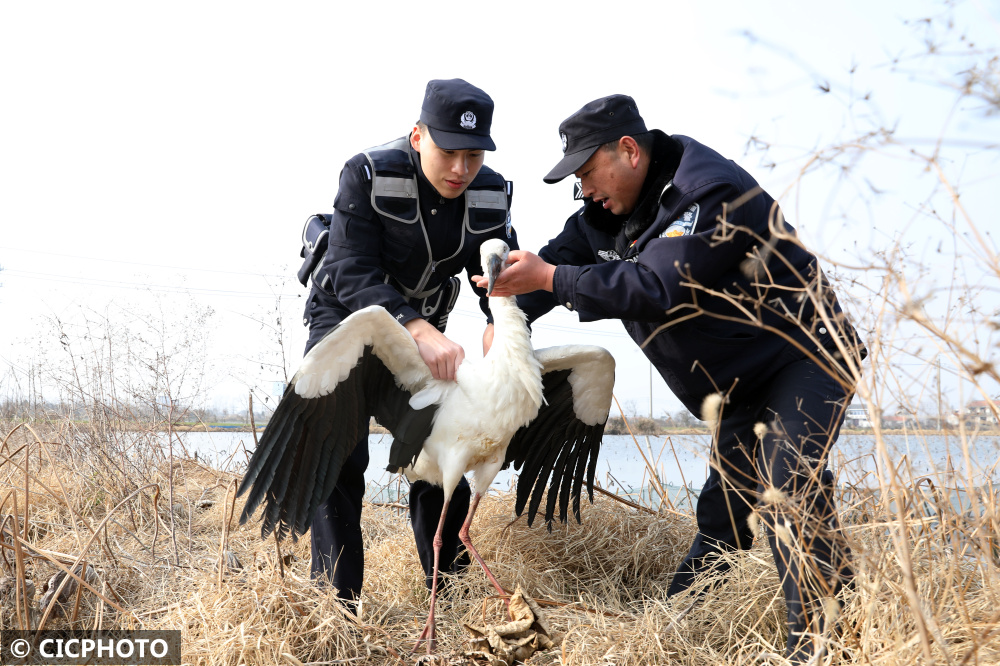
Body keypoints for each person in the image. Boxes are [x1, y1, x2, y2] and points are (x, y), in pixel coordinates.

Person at [475, 94, 864, 661]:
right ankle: (673, 632)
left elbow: (656, 287)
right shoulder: (602, 213)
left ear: (628, 151)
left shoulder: (703, 190)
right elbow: (549, 263)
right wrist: (504, 317)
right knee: (722, 515)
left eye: (586, 174)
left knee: (789, 488)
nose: (584, 190)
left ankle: (824, 648)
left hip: (806, 357)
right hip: (742, 386)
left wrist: (552, 278)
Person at [298, 79, 517, 610]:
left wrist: (499, 325)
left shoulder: (494, 191)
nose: (461, 170)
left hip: (425, 324)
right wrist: (417, 330)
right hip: (346, 316)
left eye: (473, 155)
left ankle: (456, 600)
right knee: (339, 455)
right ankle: (336, 607)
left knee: (442, 449)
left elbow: (499, 275)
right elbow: (350, 269)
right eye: (449, 152)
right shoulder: (367, 173)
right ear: (418, 136)